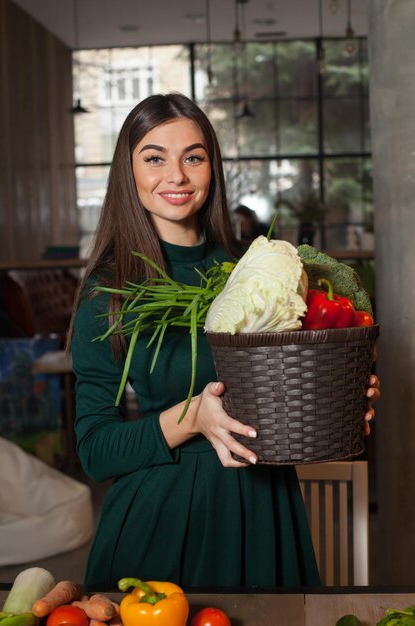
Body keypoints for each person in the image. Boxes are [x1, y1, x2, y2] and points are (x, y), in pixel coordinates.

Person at [68, 93, 380, 588]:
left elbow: (288, 387)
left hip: (264, 508)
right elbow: (97, 450)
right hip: (164, 518)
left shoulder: (255, 270)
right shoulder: (109, 293)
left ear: (212, 167)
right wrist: (195, 415)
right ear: (128, 173)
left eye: (193, 156)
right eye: (154, 158)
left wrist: (339, 396)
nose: (177, 175)